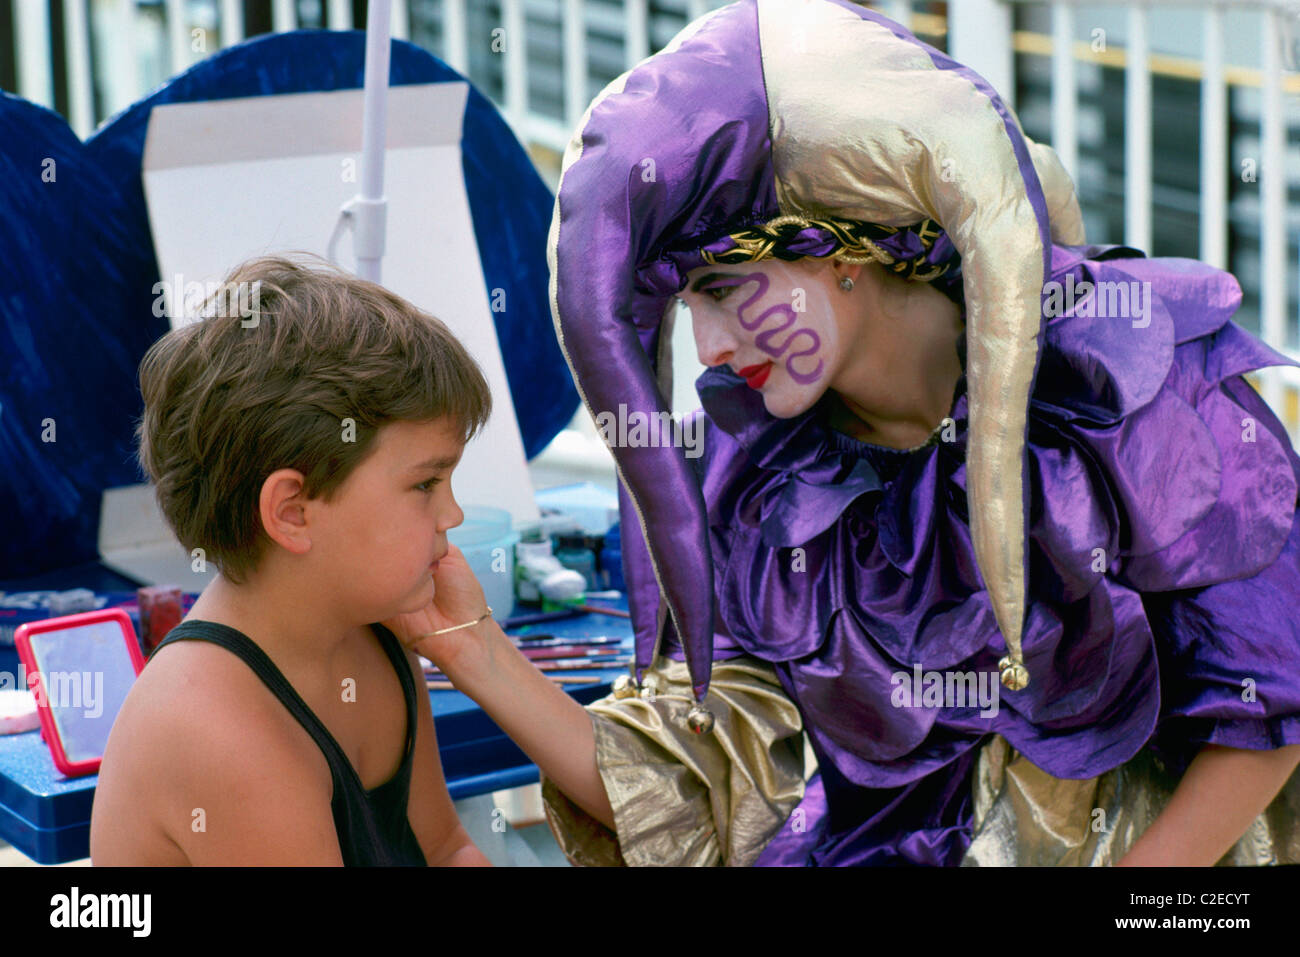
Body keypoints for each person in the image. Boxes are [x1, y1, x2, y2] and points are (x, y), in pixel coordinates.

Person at [390, 0, 1300, 865]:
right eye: (684, 307)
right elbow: (706, 774)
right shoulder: (757, 472)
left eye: (720, 287)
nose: (708, 347)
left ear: (845, 245)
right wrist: (471, 647)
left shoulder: (1129, 374)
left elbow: (1268, 706)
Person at [90, 255, 494, 866]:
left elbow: (445, 848)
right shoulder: (217, 731)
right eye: (425, 484)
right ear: (293, 511)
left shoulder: (375, 644)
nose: (453, 515)